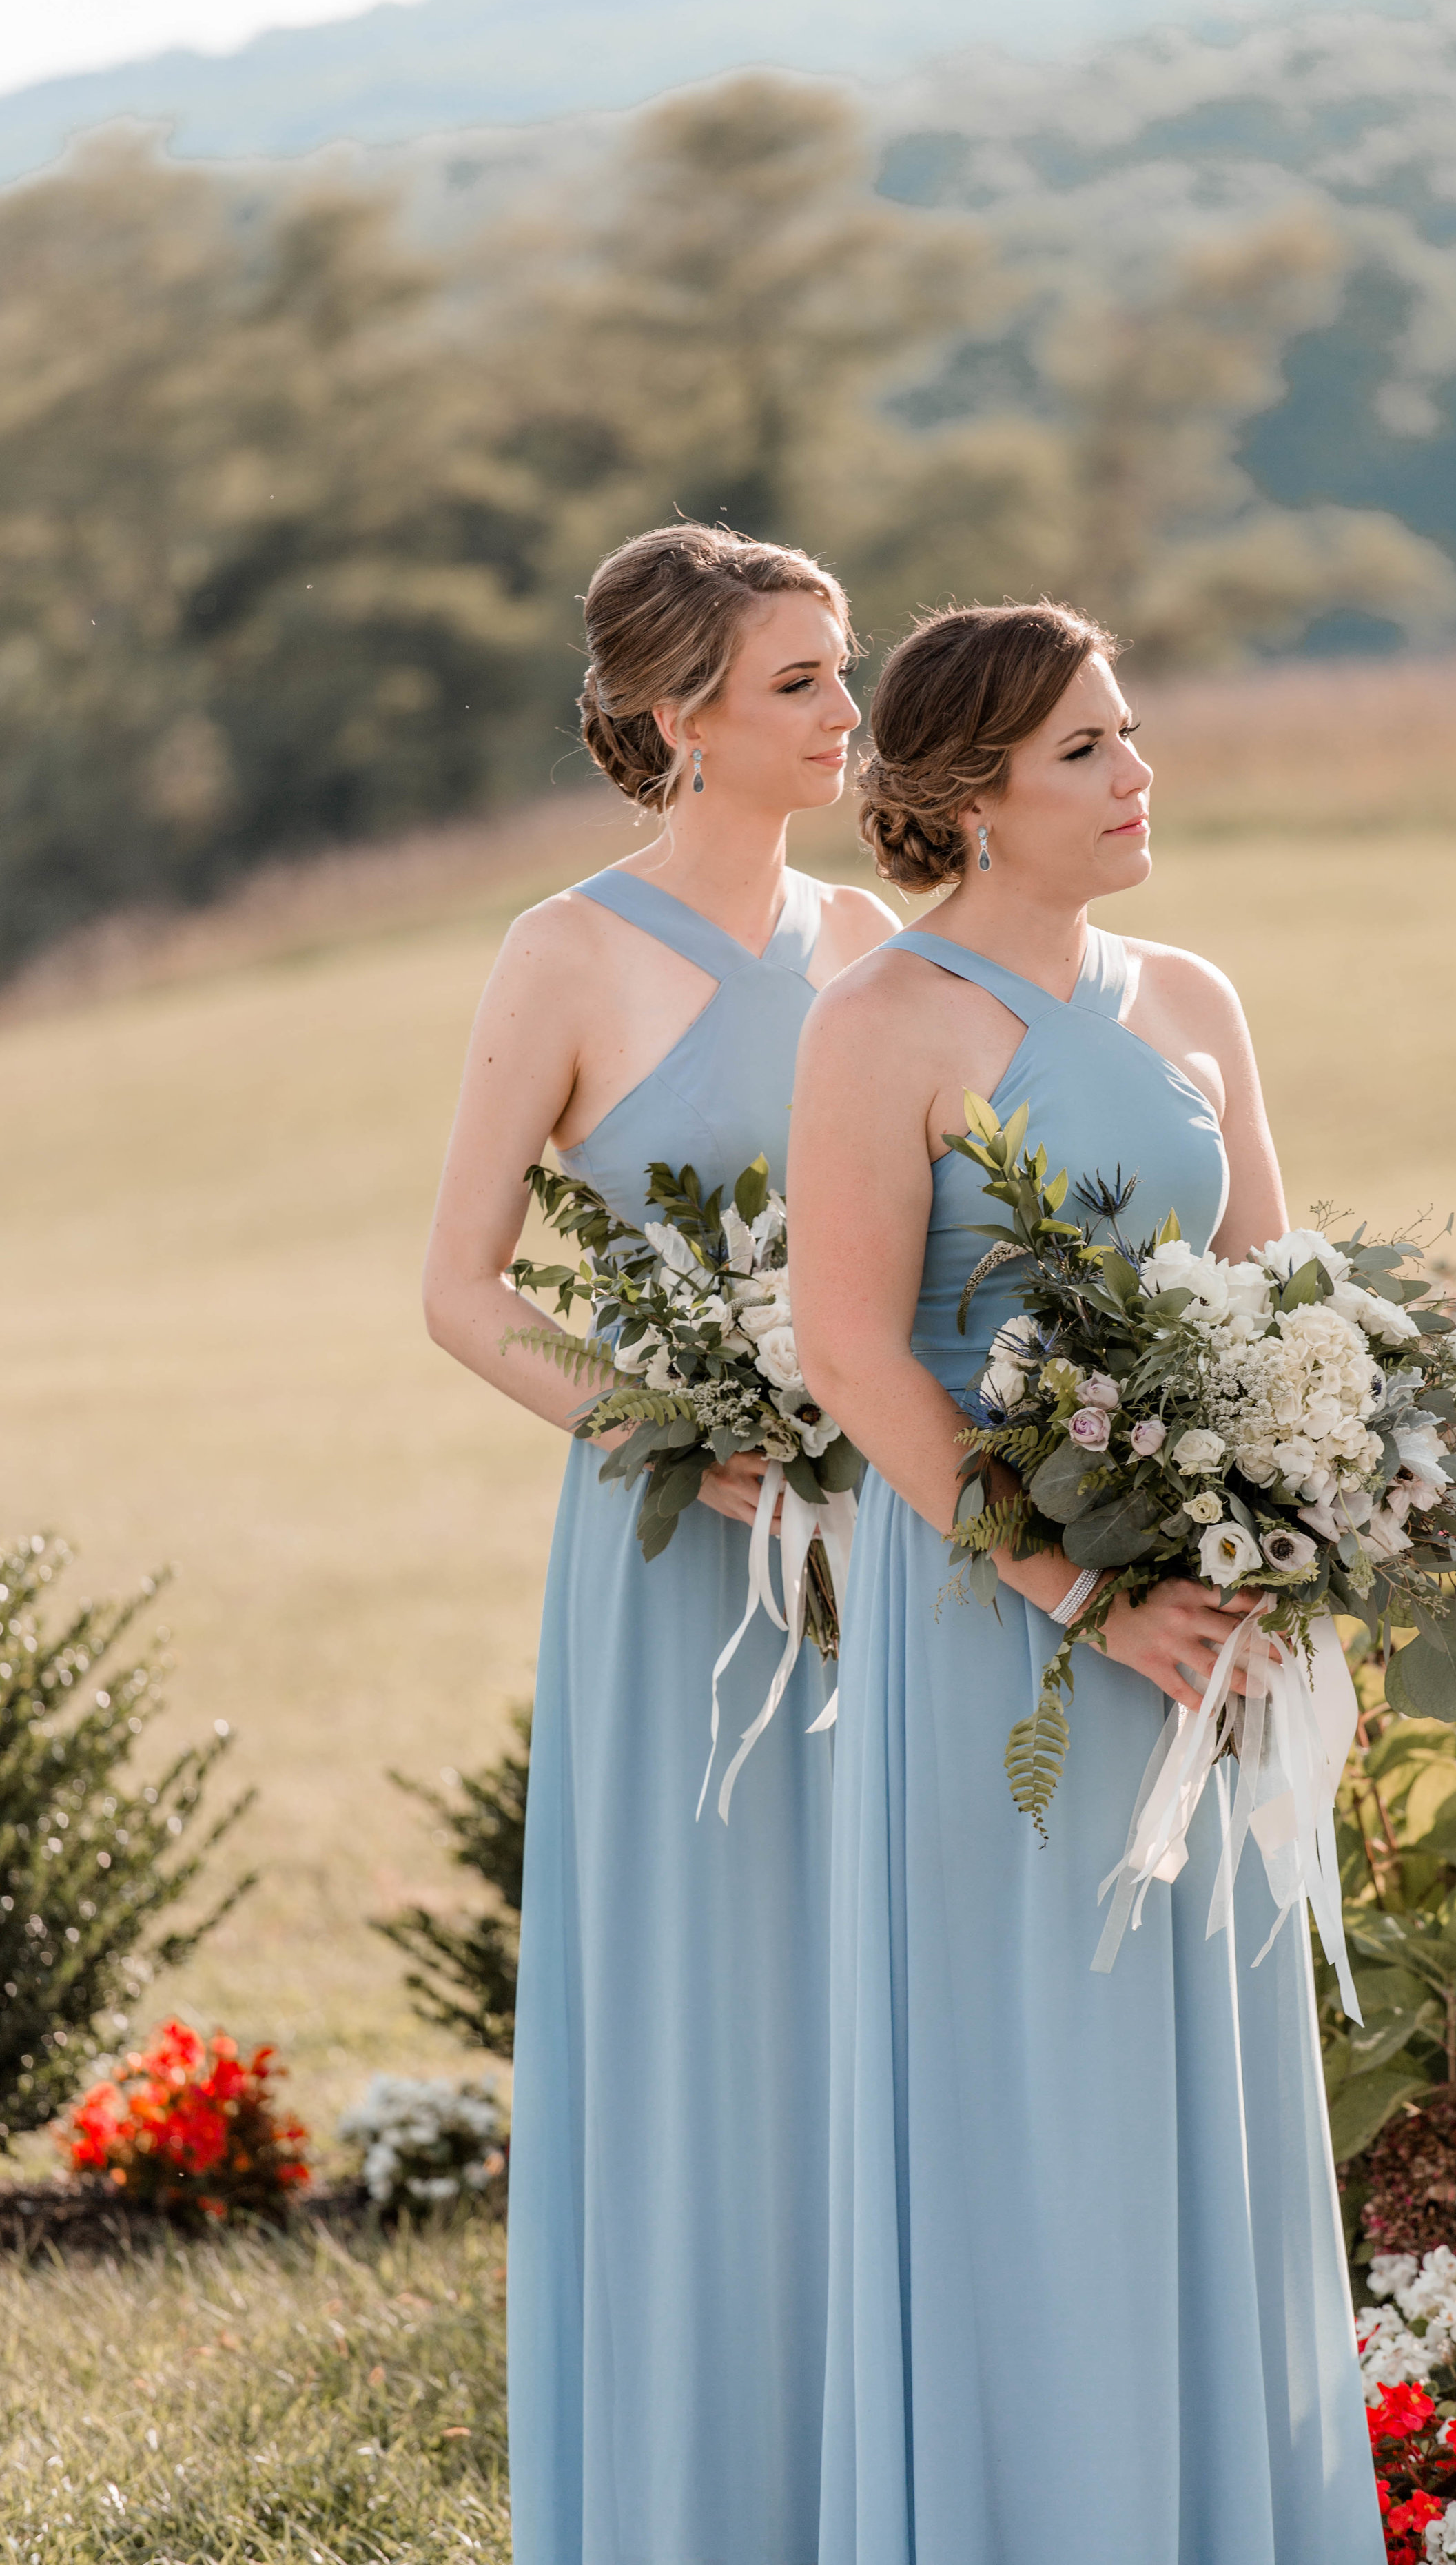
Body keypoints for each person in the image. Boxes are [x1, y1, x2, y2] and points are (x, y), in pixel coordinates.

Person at [789, 602, 1381, 2564]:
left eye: (1128, 736)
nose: (1138, 777)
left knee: (1189, 2086)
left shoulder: (1194, 999)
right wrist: (1075, 1590)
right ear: (968, 798)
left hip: (1203, 1631)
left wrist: (1291, 1522)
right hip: (999, 1635)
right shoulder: (881, 1024)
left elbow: (1278, 1289)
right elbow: (857, 1353)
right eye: (1084, 753)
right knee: (1025, 2092)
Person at [423, 522, 896, 2565]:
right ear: (672, 717)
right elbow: (462, 1289)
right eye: (798, 682)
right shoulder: (562, 953)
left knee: (874, 1998)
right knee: (707, 2020)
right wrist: (676, 1430)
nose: (844, 713)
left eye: (843, 668)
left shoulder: (876, 944)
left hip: (890, 1549)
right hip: (677, 1556)